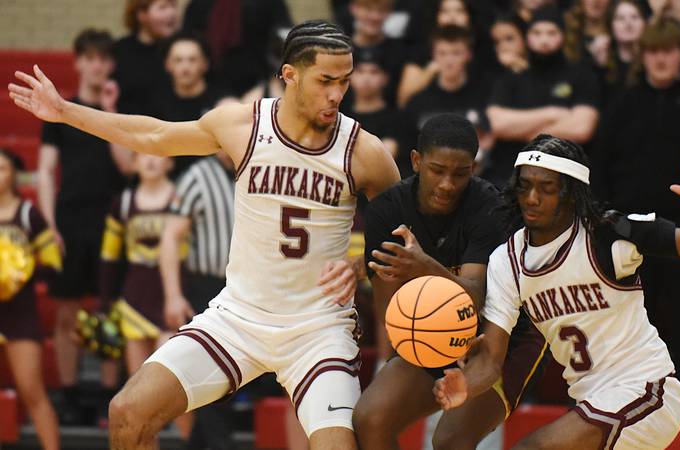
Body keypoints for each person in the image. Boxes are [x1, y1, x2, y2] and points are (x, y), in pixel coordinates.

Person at [9, 19, 400, 450]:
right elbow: (155, 134)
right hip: (237, 318)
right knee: (127, 413)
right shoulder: (242, 125)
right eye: (326, 80)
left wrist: (360, 263)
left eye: (343, 81)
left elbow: (406, 235)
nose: (337, 94)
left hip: (318, 329)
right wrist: (66, 111)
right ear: (290, 74)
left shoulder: (365, 152)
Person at [433, 135, 680, 450]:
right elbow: (490, 362)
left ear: (571, 193)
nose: (531, 198)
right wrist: (464, 385)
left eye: (547, 189)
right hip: (591, 402)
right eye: (525, 186)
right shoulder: (507, 261)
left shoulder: (609, 236)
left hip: (647, 391)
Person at [353, 114, 548, 450]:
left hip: (502, 336)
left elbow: (475, 299)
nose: (447, 184)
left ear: (473, 168)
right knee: (370, 417)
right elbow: (392, 310)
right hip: (438, 332)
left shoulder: (490, 206)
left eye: (460, 173)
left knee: (450, 439)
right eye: (437, 170)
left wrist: (425, 266)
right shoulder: (385, 212)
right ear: (416, 161)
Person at [593, 17, 680, 416]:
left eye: (668, 51)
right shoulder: (622, 103)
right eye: (653, 51)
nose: (661, 59)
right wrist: (604, 219)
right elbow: (601, 163)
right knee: (631, 313)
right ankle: (623, 392)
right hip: (627, 231)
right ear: (644, 56)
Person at [36, 28, 131, 425]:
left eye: (102, 59)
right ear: (77, 63)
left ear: (110, 65)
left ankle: (110, 397)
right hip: (70, 224)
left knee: (110, 313)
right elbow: (43, 171)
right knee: (67, 314)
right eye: (88, 58)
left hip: (112, 225)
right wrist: (49, 224)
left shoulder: (117, 112)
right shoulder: (59, 113)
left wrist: (110, 112)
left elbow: (127, 165)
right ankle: (70, 394)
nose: (96, 65)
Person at [159, 150, 237, 448]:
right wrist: (173, 295)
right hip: (207, 287)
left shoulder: (258, 169)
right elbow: (170, 237)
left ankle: (199, 443)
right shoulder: (197, 176)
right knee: (212, 370)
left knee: (227, 374)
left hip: (248, 286)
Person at [483, 7, 600, 187]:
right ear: (527, 37)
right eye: (536, 33)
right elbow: (496, 123)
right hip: (510, 177)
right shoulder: (512, 77)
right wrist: (553, 114)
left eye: (551, 32)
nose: (544, 40)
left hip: (565, 175)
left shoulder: (581, 75)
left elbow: (581, 128)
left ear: (562, 36)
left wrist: (523, 133)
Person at [0, 148, 62, 450]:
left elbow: (52, 264)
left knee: (32, 390)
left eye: (2, 169)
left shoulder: (28, 214)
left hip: (19, 312)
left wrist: (20, 269)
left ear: (15, 175)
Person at [98, 153, 175, 376]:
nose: (150, 160)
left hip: (173, 300)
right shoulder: (122, 204)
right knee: (138, 384)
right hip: (135, 300)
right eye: (143, 155)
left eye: (158, 155)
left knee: (173, 387)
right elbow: (108, 257)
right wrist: (105, 303)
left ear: (169, 162)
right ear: (133, 163)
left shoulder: (182, 198)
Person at [402, 25, 494, 175]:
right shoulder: (418, 102)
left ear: (468, 54)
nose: (449, 60)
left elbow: (489, 142)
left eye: (456, 53)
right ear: (434, 56)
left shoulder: (486, 95)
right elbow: (406, 151)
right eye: (442, 53)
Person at [148, 32, 236, 177]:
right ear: (167, 65)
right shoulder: (156, 102)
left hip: (216, 183)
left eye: (192, 60)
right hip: (169, 185)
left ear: (205, 64)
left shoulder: (222, 102)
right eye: (178, 60)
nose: (185, 67)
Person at [112, 0, 179, 115]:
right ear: (142, 14)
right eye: (163, 7)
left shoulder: (181, 47)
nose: (171, 13)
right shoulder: (120, 50)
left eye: (173, 6)